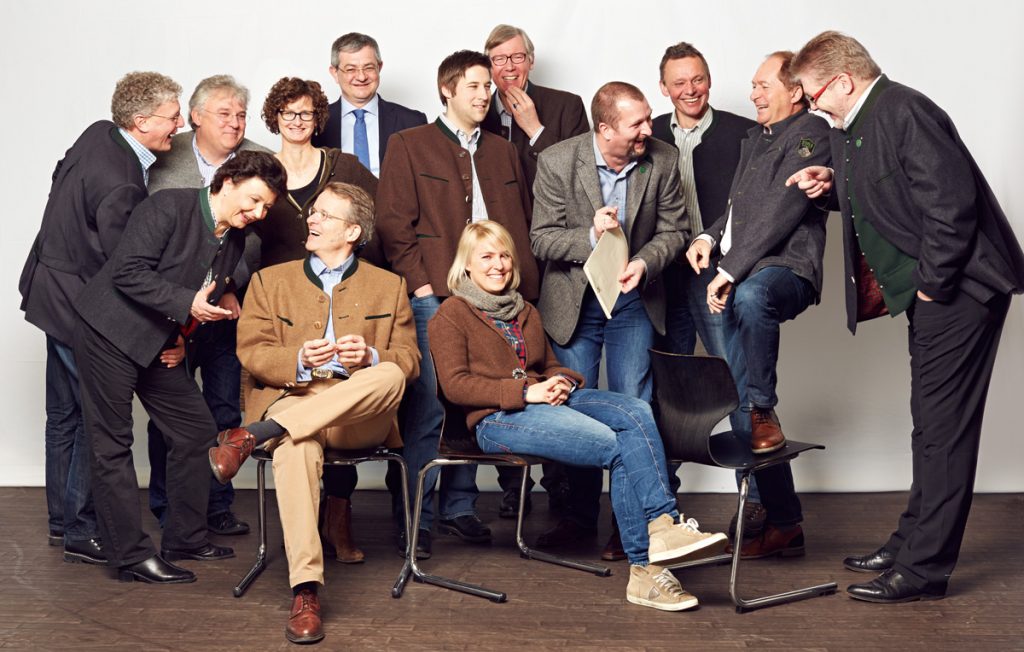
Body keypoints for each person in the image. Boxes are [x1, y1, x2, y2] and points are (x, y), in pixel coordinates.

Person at [786, 31, 1024, 603]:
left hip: (961, 292)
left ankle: (923, 571)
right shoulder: (858, 123)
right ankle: (909, 543)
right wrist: (831, 186)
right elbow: (889, 189)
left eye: (815, 95)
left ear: (844, 81)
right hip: (937, 295)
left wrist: (932, 289)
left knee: (944, 433)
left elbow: (952, 207)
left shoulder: (905, 110)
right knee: (929, 426)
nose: (813, 107)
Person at [430, 221, 726, 612]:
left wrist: (561, 382)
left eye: (504, 255)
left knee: (636, 410)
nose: (498, 265)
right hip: (496, 419)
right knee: (618, 446)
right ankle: (645, 569)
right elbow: (455, 386)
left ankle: (663, 526)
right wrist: (525, 391)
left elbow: (551, 365)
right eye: (486, 257)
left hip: (544, 400)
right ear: (466, 264)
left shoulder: (524, 310)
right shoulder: (451, 313)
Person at [209, 182, 418, 644]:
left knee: (390, 375)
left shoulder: (390, 286)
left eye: (324, 214)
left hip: (356, 412)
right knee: (295, 447)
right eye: (313, 212)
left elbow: (409, 360)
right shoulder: (269, 281)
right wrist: (300, 359)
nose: (312, 219)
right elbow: (252, 353)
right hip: (296, 398)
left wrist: (370, 357)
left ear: (353, 231)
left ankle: (255, 432)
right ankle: (305, 591)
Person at [71, 151, 287, 584]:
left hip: (158, 342)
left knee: (195, 431)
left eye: (266, 207)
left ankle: (185, 538)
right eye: (254, 200)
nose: (259, 213)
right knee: (112, 443)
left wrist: (182, 335)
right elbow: (127, 272)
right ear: (228, 181)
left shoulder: (235, 239)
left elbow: (203, 293)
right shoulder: (168, 206)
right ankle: (130, 556)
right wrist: (187, 305)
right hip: (107, 332)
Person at [376, 50, 539, 558]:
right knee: (428, 406)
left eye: (488, 87)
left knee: (476, 400)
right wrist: (422, 287)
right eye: (474, 86)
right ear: (447, 89)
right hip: (436, 297)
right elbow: (393, 224)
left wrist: (520, 295)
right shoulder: (409, 144)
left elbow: (523, 221)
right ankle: (417, 520)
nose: (484, 94)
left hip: (496, 301)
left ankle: (459, 508)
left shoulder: (503, 150)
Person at [19, 71, 184, 565]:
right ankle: (81, 529)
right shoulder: (123, 183)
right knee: (94, 419)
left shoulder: (97, 132)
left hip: (48, 290)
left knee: (63, 415)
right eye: (172, 117)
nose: (178, 126)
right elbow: (123, 265)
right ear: (141, 121)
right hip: (77, 306)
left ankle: (61, 521)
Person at [529, 81, 687, 553]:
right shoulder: (557, 161)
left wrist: (644, 262)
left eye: (648, 119)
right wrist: (590, 236)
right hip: (574, 304)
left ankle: (630, 524)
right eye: (637, 123)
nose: (649, 129)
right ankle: (578, 519)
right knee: (576, 409)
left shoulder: (663, 159)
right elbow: (541, 238)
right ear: (605, 129)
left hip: (633, 301)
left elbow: (674, 230)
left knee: (633, 403)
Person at [687, 51, 831, 559]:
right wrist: (708, 237)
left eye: (763, 85)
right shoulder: (755, 138)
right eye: (752, 86)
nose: (753, 94)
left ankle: (763, 407)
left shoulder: (812, 132)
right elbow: (737, 210)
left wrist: (728, 271)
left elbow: (780, 212)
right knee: (739, 396)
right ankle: (784, 520)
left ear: (794, 90)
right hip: (743, 268)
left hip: (786, 269)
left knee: (750, 299)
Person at [252, 76, 384, 562]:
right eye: (288, 113)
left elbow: (375, 219)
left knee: (345, 390)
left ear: (318, 118)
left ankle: (338, 516)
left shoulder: (341, 165)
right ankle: (306, 527)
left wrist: (370, 286)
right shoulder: (262, 171)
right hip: (282, 304)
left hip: (340, 295)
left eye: (306, 113)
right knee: (304, 401)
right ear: (275, 117)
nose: (297, 121)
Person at [146, 74, 269, 537]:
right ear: (196, 117)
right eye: (224, 113)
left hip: (224, 310)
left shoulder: (260, 158)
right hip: (171, 310)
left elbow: (258, 237)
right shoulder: (164, 155)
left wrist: (230, 285)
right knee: (169, 414)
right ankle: (168, 505)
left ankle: (217, 505)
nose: (235, 122)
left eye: (241, 114)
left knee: (223, 410)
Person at [651, 41, 764, 540]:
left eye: (697, 79)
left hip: (718, 276)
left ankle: (757, 504)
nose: (690, 89)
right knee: (666, 391)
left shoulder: (744, 134)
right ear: (664, 88)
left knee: (738, 383)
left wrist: (729, 263)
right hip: (663, 278)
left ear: (710, 79)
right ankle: (659, 507)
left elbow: (756, 208)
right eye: (679, 82)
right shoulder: (650, 133)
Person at [480, 23, 591, 519]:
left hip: (553, 260)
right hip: (496, 261)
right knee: (502, 365)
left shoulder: (565, 107)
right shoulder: (478, 107)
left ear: (530, 60)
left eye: (516, 57)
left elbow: (580, 184)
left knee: (547, 363)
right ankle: (513, 483)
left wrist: (536, 132)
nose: (508, 68)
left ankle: (561, 486)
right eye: (498, 60)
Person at [313, 32, 427, 177]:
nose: (361, 77)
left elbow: (425, 179)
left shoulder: (412, 122)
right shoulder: (315, 123)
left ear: (379, 68)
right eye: (351, 69)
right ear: (335, 73)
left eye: (369, 68)